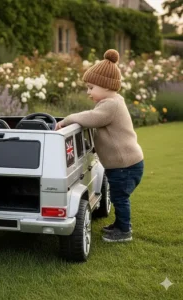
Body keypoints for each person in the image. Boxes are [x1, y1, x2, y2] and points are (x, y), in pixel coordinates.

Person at [55, 49, 144, 243]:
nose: (88, 92)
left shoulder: (110, 105)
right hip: (125, 164)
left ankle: (124, 230)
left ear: (105, 85)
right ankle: (120, 224)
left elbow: (91, 118)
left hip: (125, 166)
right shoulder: (113, 102)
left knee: (120, 198)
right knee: (119, 196)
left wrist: (68, 119)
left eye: (90, 87)